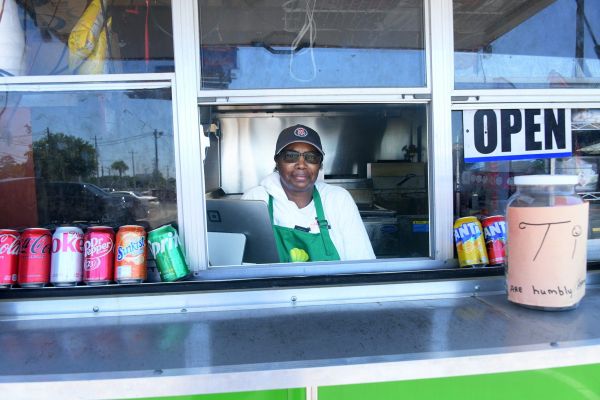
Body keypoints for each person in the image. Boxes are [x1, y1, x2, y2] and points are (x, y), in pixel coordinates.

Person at [242, 124, 375, 262]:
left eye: (311, 157)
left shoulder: (338, 200)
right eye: (291, 156)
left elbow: (363, 263)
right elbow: (240, 265)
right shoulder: (256, 199)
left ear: (320, 164)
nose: (301, 165)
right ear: (277, 161)